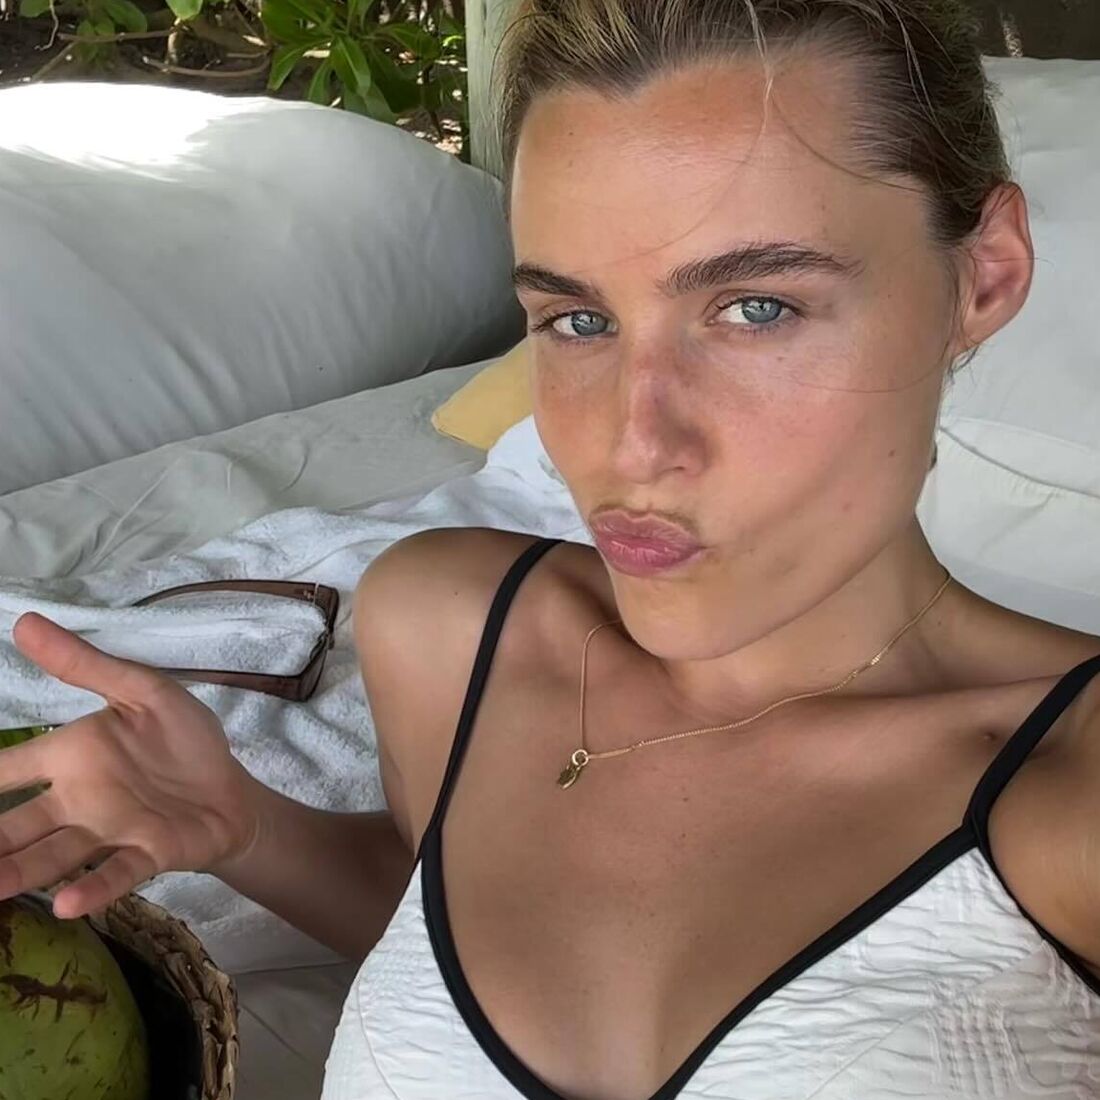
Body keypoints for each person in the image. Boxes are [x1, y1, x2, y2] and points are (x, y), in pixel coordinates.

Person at [4, 0, 1100, 1096]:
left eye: (757, 307)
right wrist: (250, 830)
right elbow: (438, 912)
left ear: (984, 274)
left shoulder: (1066, 798)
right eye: (578, 321)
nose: (632, 443)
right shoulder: (449, 628)